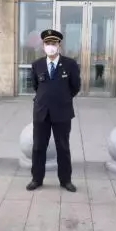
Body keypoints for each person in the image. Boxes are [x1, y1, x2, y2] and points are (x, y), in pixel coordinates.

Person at [26, 29, 81, 192]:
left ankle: (65, 180)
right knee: (38, 147)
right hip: (41, 112)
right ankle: (36, 179)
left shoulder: (70, 64)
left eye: (53, 43)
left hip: (62, 112)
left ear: (59, 45)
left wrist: (62, 99)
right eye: (47, 43)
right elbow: (36, 86)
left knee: (63, 147)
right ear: (43, 45)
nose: (50, 46)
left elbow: (75, 87)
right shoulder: (37, 65)